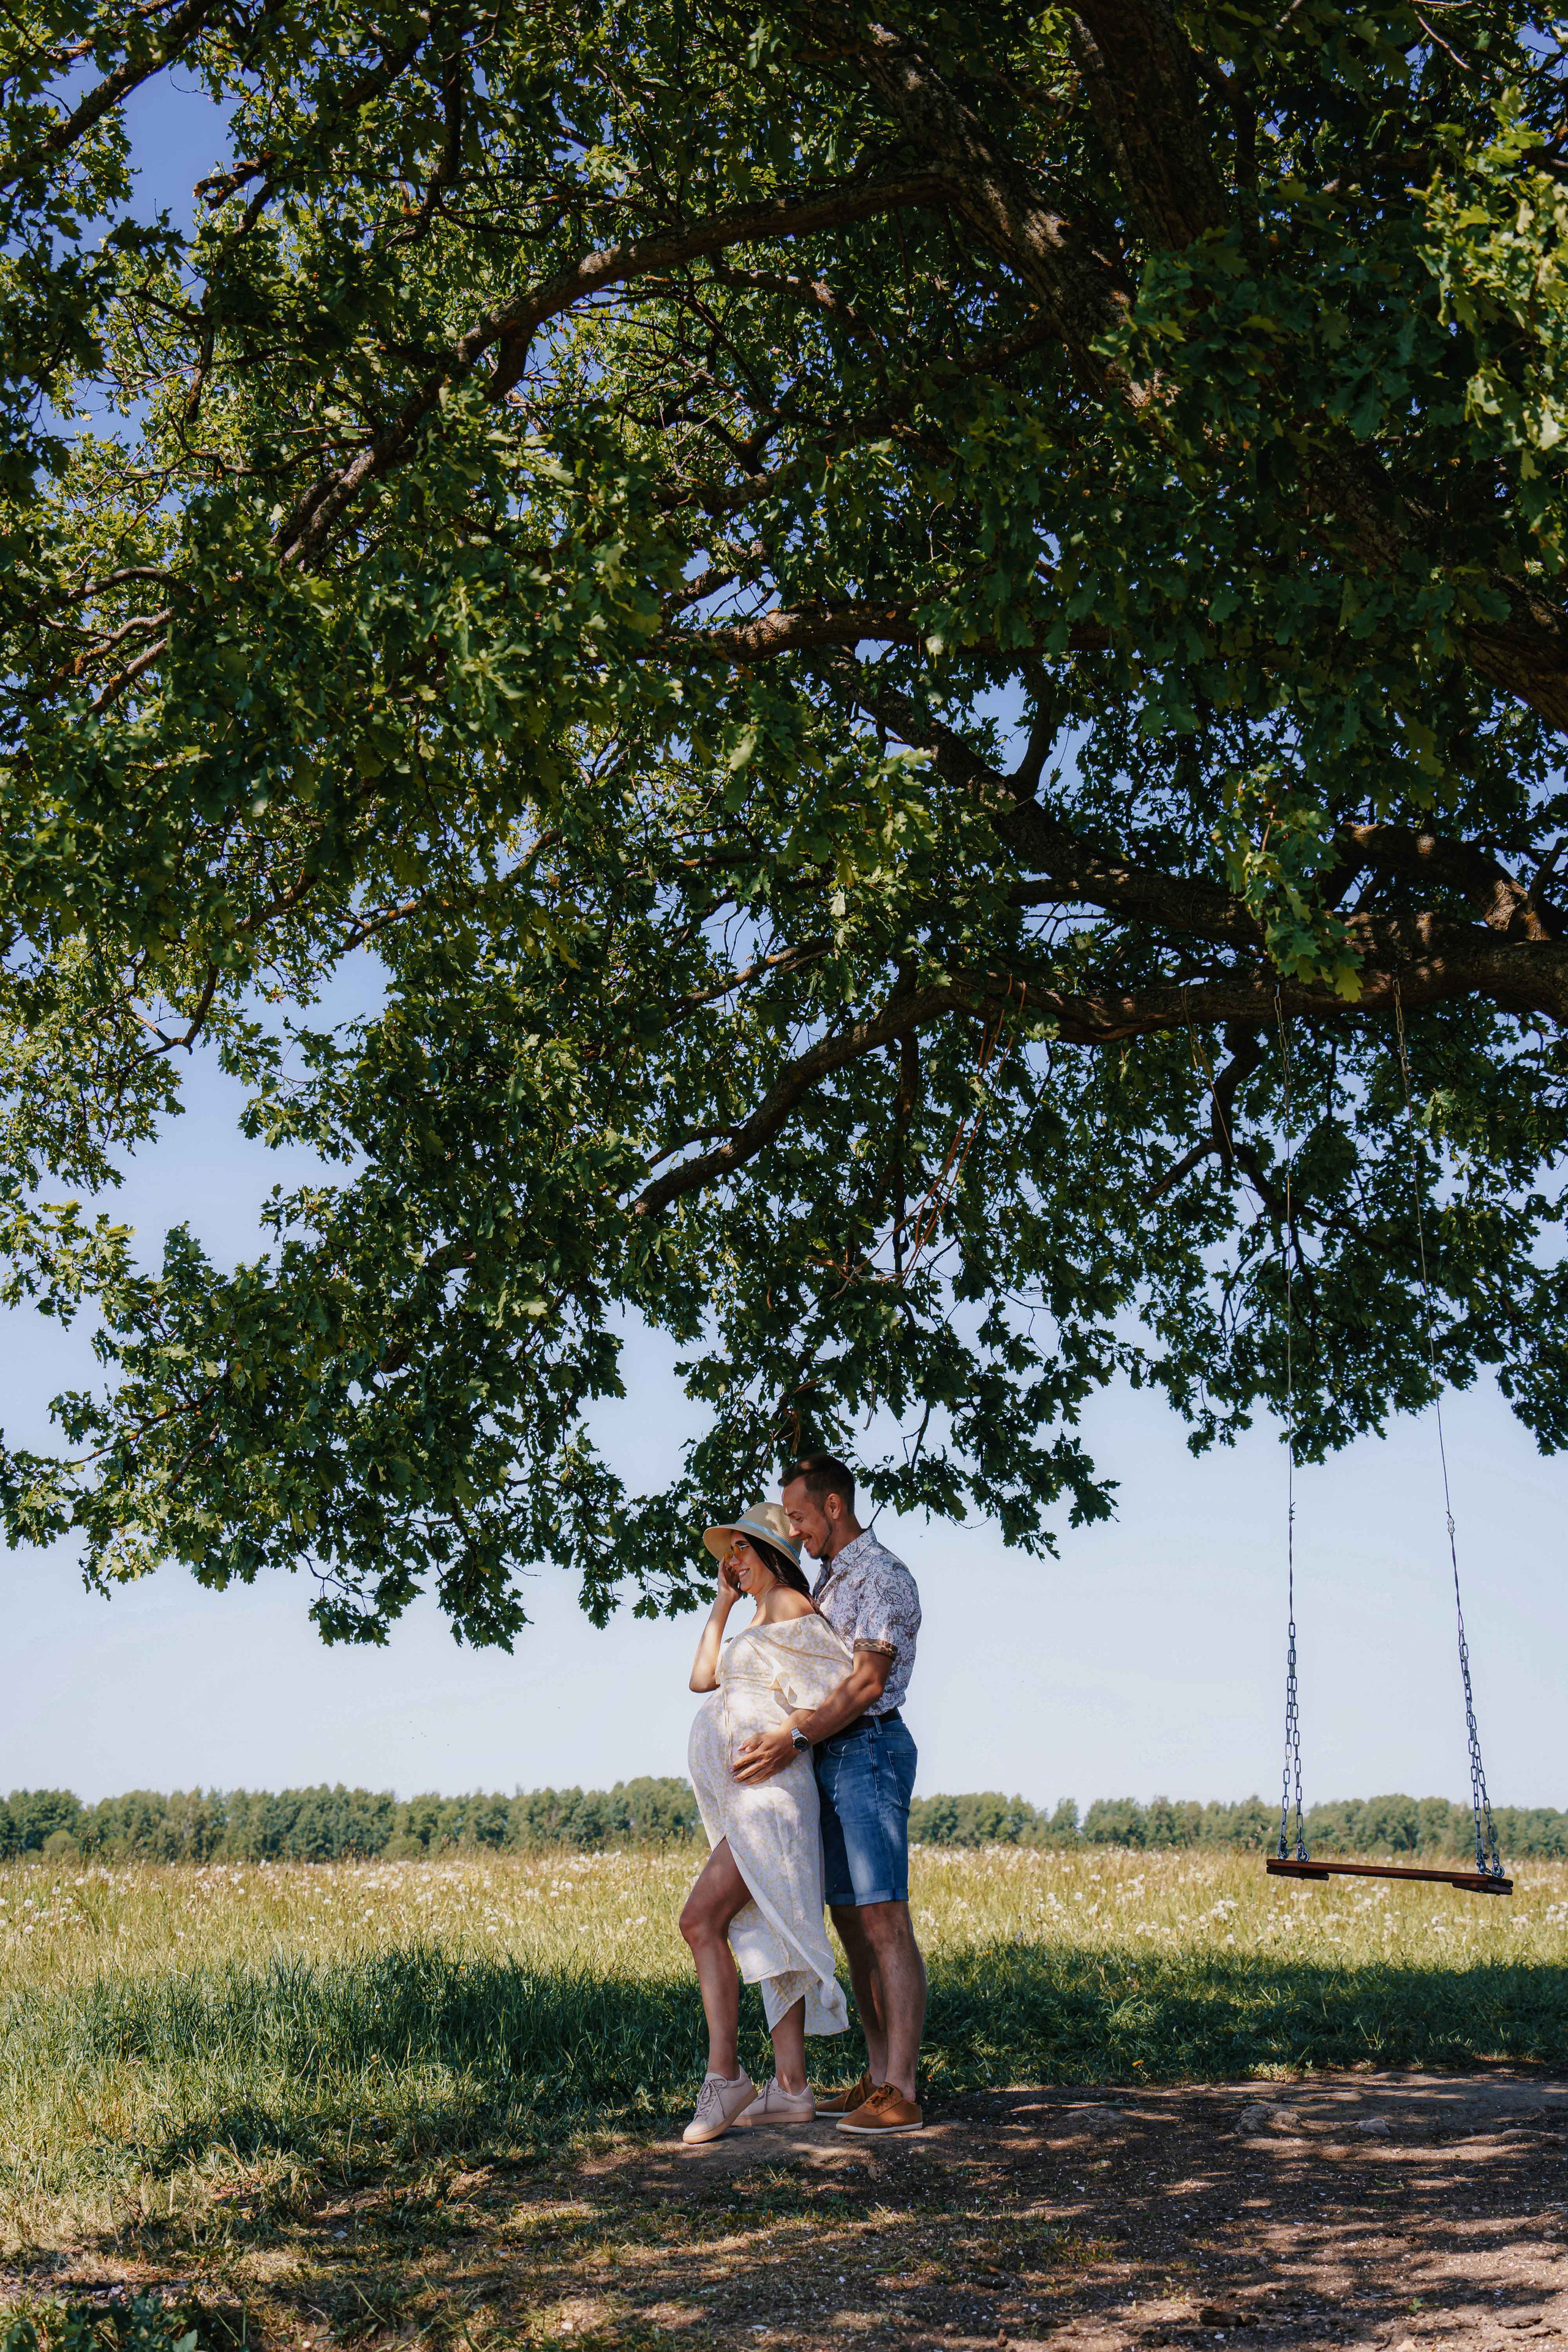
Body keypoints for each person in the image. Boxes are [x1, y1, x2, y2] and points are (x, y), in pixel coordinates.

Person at [733, 1453, 926, 2139]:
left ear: (835, 1507)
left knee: (883, 1919)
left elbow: (867, 1683)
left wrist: (796, 1736)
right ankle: (877, 2078)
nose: (795, 1530)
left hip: (866, 1750)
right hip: (828, 1756)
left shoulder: (881, 1575)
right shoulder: (830, 1578)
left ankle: (902, 2088)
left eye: (801, 1516)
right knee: (849, 1920)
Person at [679, 1501, 854, 2145]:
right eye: (729, 1555)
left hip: (770, 1794)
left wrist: (788, 1735)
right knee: (768, 1932)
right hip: (748, 1800)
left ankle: (724, 2077)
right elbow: (702, 1679)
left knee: (700, 1920)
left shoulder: (788, 1605)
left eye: (742, 1551)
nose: (732, 1563)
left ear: (772, 1555)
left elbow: (840, 1680)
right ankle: (790, 2090)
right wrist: (722, 1604)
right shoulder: (756, 1615)